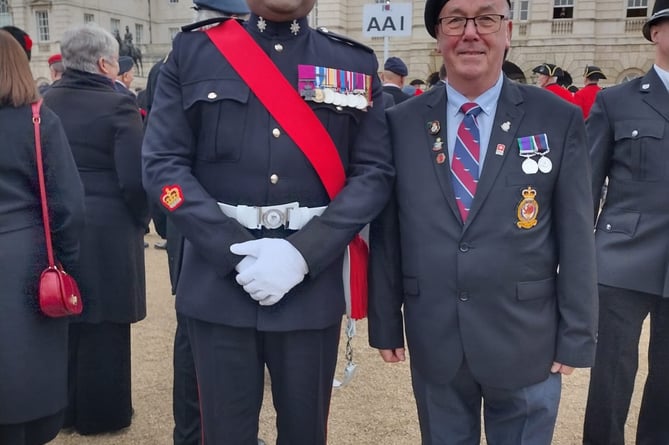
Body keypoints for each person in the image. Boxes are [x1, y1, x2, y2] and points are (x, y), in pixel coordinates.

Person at [142, 0, 394, 441]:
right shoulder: (193, 52)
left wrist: (303, 254)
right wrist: (231, 250)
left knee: (305, 433)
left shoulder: (352, 62)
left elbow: (373, 175)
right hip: (218, 285)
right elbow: (163, 165)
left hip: (309, 286)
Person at [368, 0, 598, 443]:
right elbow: (388, 231)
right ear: (439, 35)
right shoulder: (401, 122)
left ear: (508, 31)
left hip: (526, 337)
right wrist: (384, 320)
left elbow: (575, 234)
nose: (471, 32)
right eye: (456, 19)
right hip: (434, 334)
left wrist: (577, 333)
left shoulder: (557, 117)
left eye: (486, 18)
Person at [42, 23, 148, 435]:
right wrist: (141, 219)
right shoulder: (117, 105)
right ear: (105, 62)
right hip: (108, 225)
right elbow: (135, 179)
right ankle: (104, 414)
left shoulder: (44, 102)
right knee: (106, 324)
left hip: (55, 223)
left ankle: (63, 411)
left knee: (62, 318)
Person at [582, 1, 669, 444]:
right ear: (655, 31)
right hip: (622, 256)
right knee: (612, 375)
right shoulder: (617, 100)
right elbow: (585, 186)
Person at [0, 29, 85, 445]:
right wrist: (67, 259)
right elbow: (68, 203)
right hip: (27, 255)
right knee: (29, 365)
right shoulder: (38, 120)